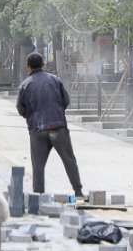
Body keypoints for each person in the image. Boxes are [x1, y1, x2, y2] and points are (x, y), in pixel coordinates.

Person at [16, 53, 86, 199]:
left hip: (37, 130)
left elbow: (21, 109)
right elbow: (65, 100)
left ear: (28, 66)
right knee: (69, 160)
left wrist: (32, 117)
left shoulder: (24, 85)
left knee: (38, 166)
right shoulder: (55, 80)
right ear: (43, 64)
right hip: (58, 127)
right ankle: (78, 191)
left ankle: (38, 196)